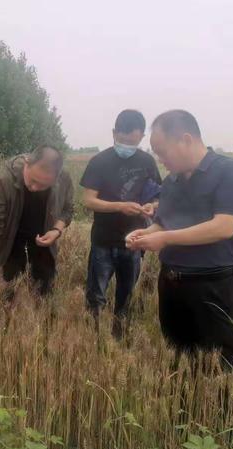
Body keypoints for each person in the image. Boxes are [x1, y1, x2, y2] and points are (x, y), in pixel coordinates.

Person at [126, 110, 233, 370]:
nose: (160, 160)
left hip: (212, 286)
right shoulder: (172, 181)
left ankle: (218, 411)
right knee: (179, 360)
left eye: (163, 152)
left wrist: (164, 239)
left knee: (220, 367)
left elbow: (223, 226)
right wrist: (144, 234)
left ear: (185, 140)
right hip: (171, 284)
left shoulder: (231, 171)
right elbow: (163, 222)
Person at [80, 110, 162, 338]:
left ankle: (120, 338)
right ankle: (92, 338)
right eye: (122, 140)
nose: (126, 145)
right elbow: (88, 200)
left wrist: (151, 207)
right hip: (103, 241)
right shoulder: (100, 161)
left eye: (132, 142)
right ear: (114, 133)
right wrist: (120, 206)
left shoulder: (147, 162)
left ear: (141, 137)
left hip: (135, 241)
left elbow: (157, 196)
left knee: (126, 296)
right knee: (96, 296)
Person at [0, 145, 74, 300]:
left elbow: (67, 209)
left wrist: (56, 231)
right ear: (27, 163)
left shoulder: (63, 179)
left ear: (55, 179)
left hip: (44, 248)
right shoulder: (4, 180)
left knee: (45, 299)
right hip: (10, 246)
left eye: (43, 185)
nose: (35, 188)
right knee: (5, 300)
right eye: (33, 180)